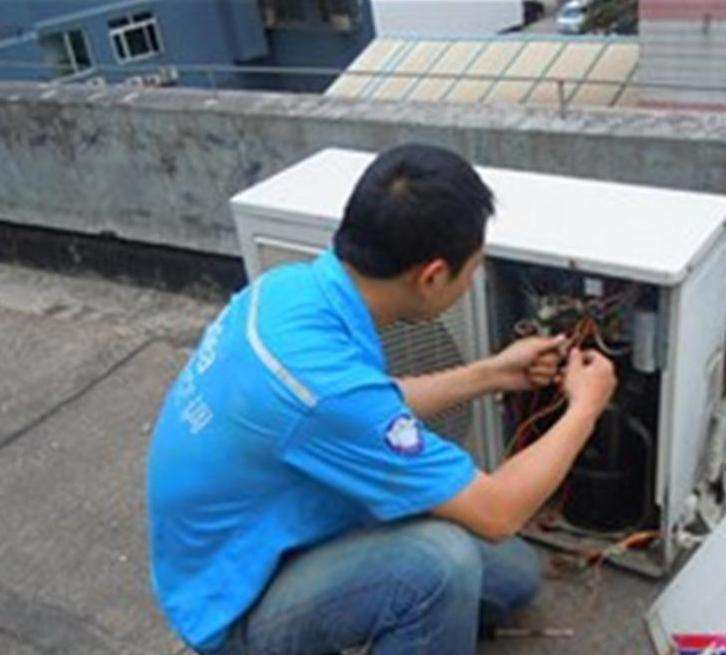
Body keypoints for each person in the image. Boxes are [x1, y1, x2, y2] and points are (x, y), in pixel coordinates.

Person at [146, 143, 616, 655]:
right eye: (473, 269)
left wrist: (491, 374)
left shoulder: (292, 289)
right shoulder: (321, 390)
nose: (472, 282)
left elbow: (369, 407)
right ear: (432, 276)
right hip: (232, 601)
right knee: (442, 563)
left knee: (514, 575)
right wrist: (586, 406)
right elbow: (498, 511)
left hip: (262, 528)